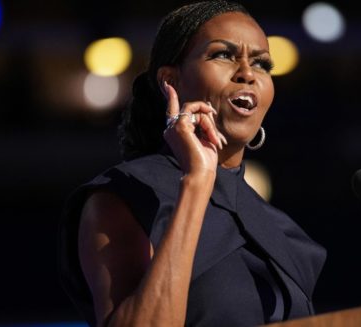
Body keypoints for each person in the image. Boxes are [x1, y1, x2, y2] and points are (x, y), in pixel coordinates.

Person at [58, 1, 327, 326]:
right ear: (170, 81)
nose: (247, 73)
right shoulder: (125, 197)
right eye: (223, 55)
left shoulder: (277, 226)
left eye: (261, 64)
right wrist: (197, 182)